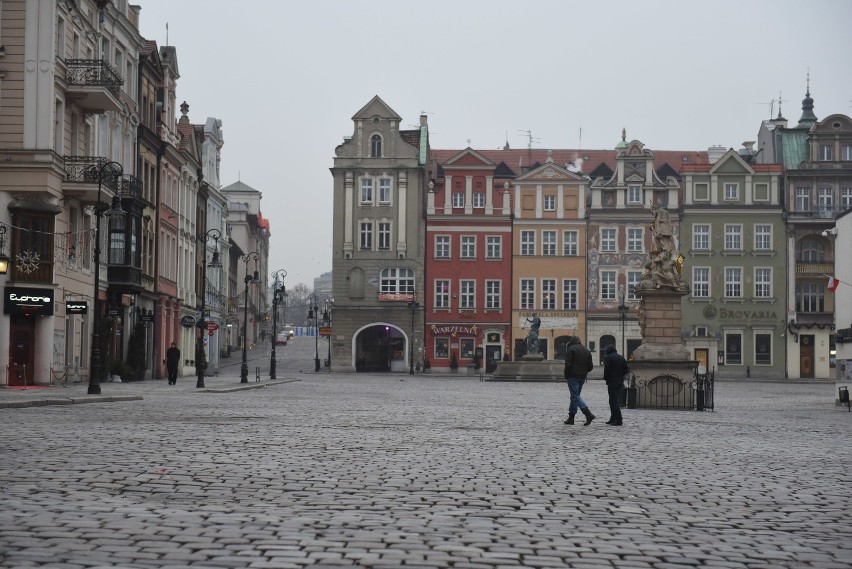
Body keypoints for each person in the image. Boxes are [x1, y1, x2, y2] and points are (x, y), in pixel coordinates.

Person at [563, 336, 595, 425]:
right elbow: (590, 367)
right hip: (582, 376)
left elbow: (568, 364)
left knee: (575, 396)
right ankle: (571, 418)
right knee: (575, 396)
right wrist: (584, 371)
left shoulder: (570, 349)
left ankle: (588, 414)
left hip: (572, 376)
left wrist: (567, 374)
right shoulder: (586, 350)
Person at [603, 344, 630, 426]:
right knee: (613, 400)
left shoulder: (608, 358)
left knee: (614, 401)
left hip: (612, 382)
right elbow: (626, 370)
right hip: (619, 382)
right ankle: (613, 418)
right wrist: (620, 376)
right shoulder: (621, 357)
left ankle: (618, 419)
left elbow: (606, 370)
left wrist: (606, 379)